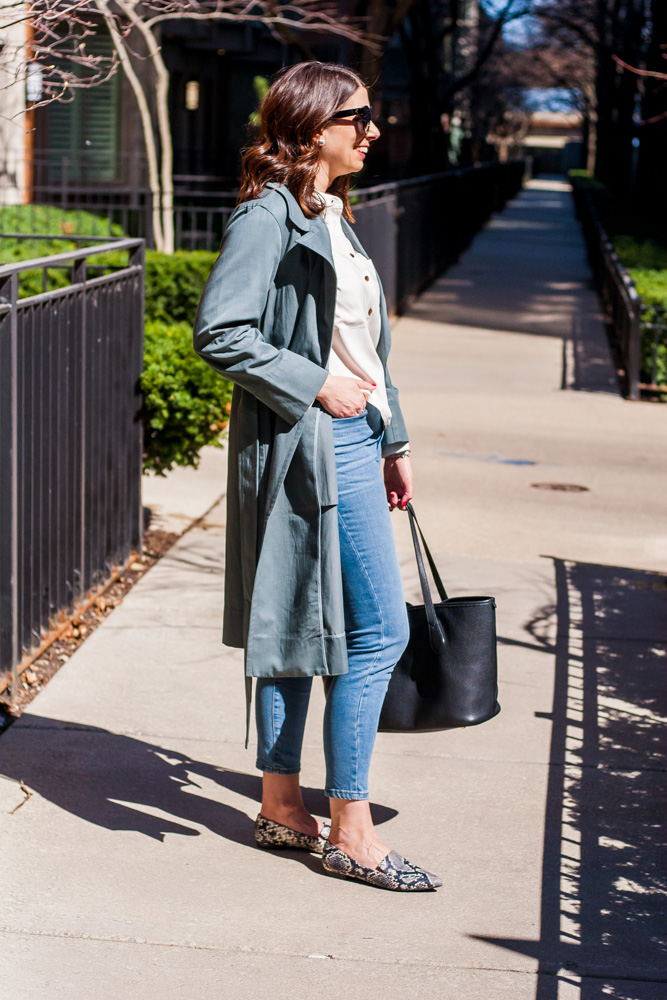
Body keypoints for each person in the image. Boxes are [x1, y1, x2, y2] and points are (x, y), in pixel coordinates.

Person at [193, 61, 441, 892]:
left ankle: (279, 805)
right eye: (359, 118)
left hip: (351, 438)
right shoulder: (267, 218)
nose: (374, 131)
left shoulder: (331, 212)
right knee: (377, 635)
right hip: (309, 441)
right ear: (311, 129)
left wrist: (391, 437)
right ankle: (350, 828)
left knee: (309, 627)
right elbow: (221, 332)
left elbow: (363, 348)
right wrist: (314, 385)